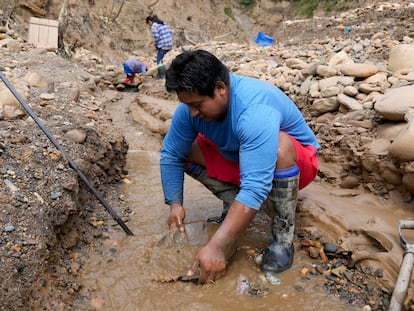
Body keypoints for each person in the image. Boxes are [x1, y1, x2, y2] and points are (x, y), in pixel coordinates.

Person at [160, 49, 320, 284]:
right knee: (184, 152)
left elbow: (255, 186)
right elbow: (171, 154)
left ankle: (282, 236)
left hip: (293, 163)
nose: (192, 112)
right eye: (187, 105)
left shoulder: (254, 109)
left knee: (279, 146)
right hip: (240, 157)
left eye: (197, 105)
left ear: (220, 88)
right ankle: (234, 202)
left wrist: (216, 246)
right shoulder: (190, 110)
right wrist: (175, 203)